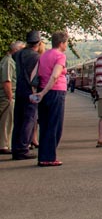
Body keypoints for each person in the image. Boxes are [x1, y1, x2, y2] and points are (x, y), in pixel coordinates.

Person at [30, 31, 68, 167]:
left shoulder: (43, 55)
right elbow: (55, 75)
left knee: (45, 125)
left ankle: (43, 157)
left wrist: (37, 92)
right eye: (66, 43)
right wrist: (45, 91)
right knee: (55, 126)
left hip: (42, 93)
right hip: (55, 92)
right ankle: (49, 158)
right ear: (62, 43)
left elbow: (33, 74)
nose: (66, 45)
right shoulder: (60, 56)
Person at [11, 31, 42, 160]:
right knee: (29, 119)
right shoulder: (37, 57)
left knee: (18, 120)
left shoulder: (17, 54)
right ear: (38, 43)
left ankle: (15, 148)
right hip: (31, 90)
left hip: (19, 89)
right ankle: (23, 149)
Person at [0, 41, 25, 155]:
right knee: (6, 121)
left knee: (8, 121)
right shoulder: (8, 62)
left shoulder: (9, 61)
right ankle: (4, 145)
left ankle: (6, 144)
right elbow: (7, 81)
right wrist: (10, 97)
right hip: (7, 96)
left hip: (9, 95)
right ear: (16, 50)